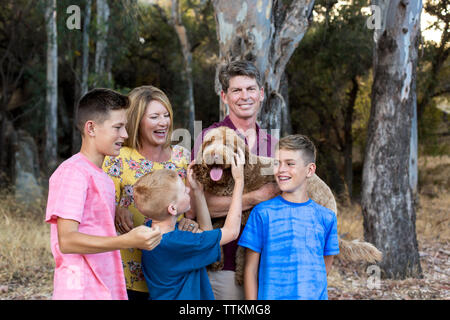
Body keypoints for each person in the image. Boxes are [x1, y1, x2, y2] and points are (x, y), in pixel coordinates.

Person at [45, 88, 162, 300]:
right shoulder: (73, 172)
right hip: (80, 290)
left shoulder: (104, 179)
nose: (125, 135)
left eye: (125, 127)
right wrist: (127, 240)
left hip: (107, 288)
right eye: (117, 127)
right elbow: (68, 240)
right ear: (91, 128)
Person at [191, 60, 280, 299]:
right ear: (224, 96)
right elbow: (196, 205)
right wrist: (255, 197)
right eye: (236, 90)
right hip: (226, 267)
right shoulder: (210, 139)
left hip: (270, 267)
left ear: (261, 94)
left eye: (251, 89)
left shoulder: (273, 145)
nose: (245, 96)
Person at [102, 85, 197, 300]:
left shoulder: (181, 157)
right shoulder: (120, 157)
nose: (163, 122)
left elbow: (190, 208)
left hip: (171, 272)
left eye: (166, 115)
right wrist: (117, 207)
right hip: (129, 271)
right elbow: (102, 205)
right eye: (154, 117)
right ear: (137, 120)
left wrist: (188, 222)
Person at [133, 149, 245, 300]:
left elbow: (206, 232)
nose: (187, 189)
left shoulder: (149, 232)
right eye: (183, 191)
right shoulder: (179, 243)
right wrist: (239, 182)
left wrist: (197, 192)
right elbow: (231, 231)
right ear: (172, 208)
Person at [238, 134, 340, 300]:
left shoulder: (326, 217)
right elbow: (250, 270)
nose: (281, 169)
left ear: (310, 170)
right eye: (277, 163)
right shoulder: (262, 213)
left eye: (290, 164)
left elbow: (324, 268)